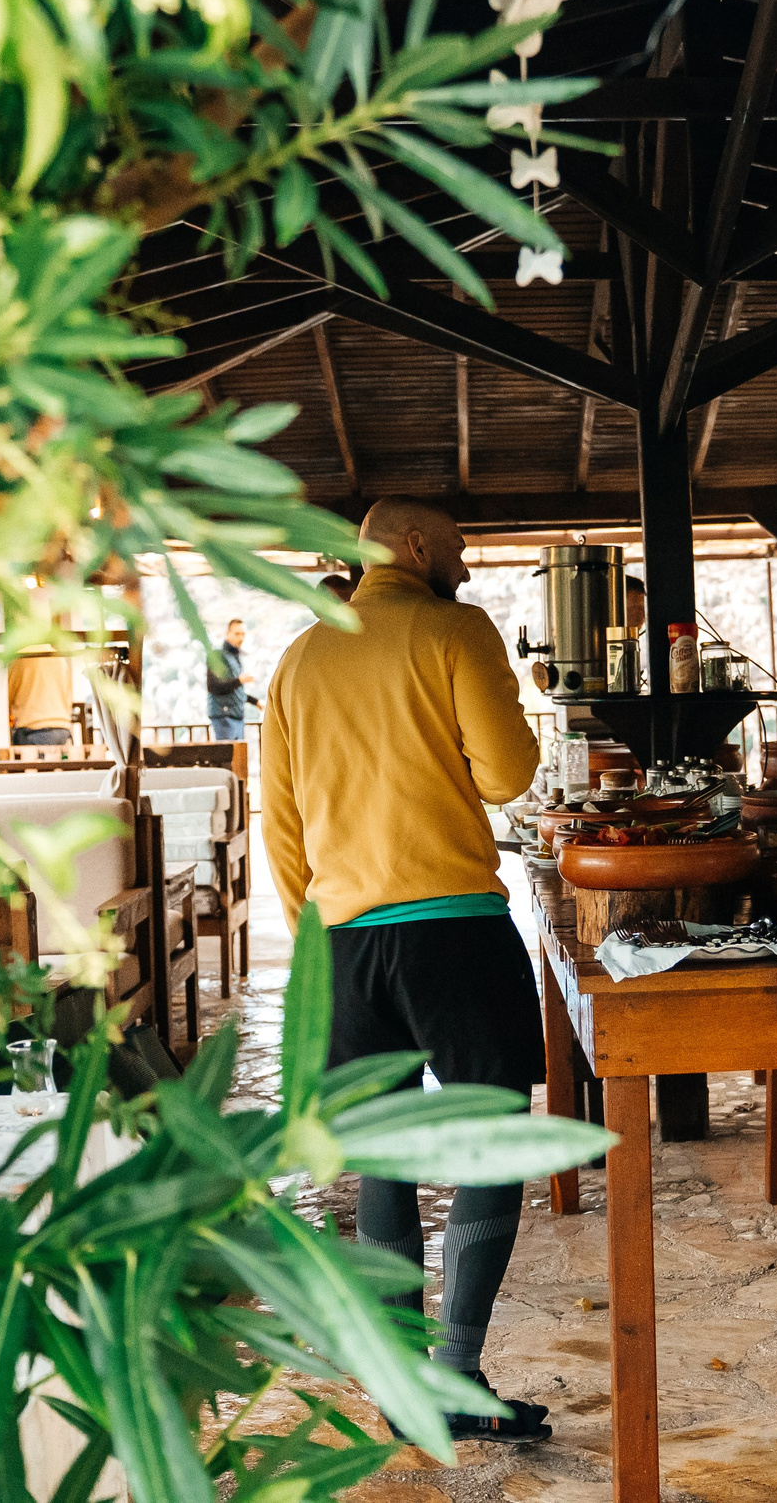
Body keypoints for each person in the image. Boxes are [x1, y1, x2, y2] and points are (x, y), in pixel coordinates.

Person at [259, 498, 553, 1442]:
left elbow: (280, 827)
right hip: (454, 931)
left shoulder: (298, 660)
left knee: (380, 1154)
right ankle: (456, 1376)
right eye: (458, 547)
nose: (465, 564)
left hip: (344, 942)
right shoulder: (454, 629)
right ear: (416, 545)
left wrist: (321, 933)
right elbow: (508, 775)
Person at [4, 648, 74, 746]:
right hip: (63, 729)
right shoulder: (59, 658)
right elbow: (68, 696)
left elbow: (7, 696)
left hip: (33, 730)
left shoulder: (21, 657)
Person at [206, 618, 254, 741]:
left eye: (243, 634)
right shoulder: (218, 655)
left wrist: (255, 701)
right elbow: (214, 686)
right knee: (228, 752)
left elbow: (235, 691)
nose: (241, 638)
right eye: (237, 634)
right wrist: (239, 681)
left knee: (239, 752)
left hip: (237, 716)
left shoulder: (235, 657)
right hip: (224, 716)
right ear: (227, 634)